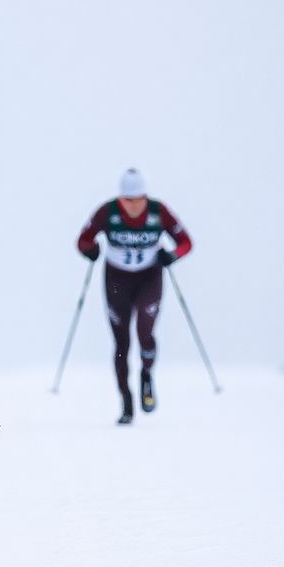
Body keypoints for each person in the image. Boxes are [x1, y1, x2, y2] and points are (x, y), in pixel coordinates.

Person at [76, 168, 192, 425]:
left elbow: (186, 241)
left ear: (145, 197)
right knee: (121, 343)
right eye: (127, 200)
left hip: (149, 278)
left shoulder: (158, 211)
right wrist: (90, 250)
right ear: (120, 199)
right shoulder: (107, 212)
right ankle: (126, 403)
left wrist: (172, 255)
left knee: (145, 332)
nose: (133, 206)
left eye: (138, 199)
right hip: (116, 281)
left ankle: (146, 376)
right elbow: (83, 240)